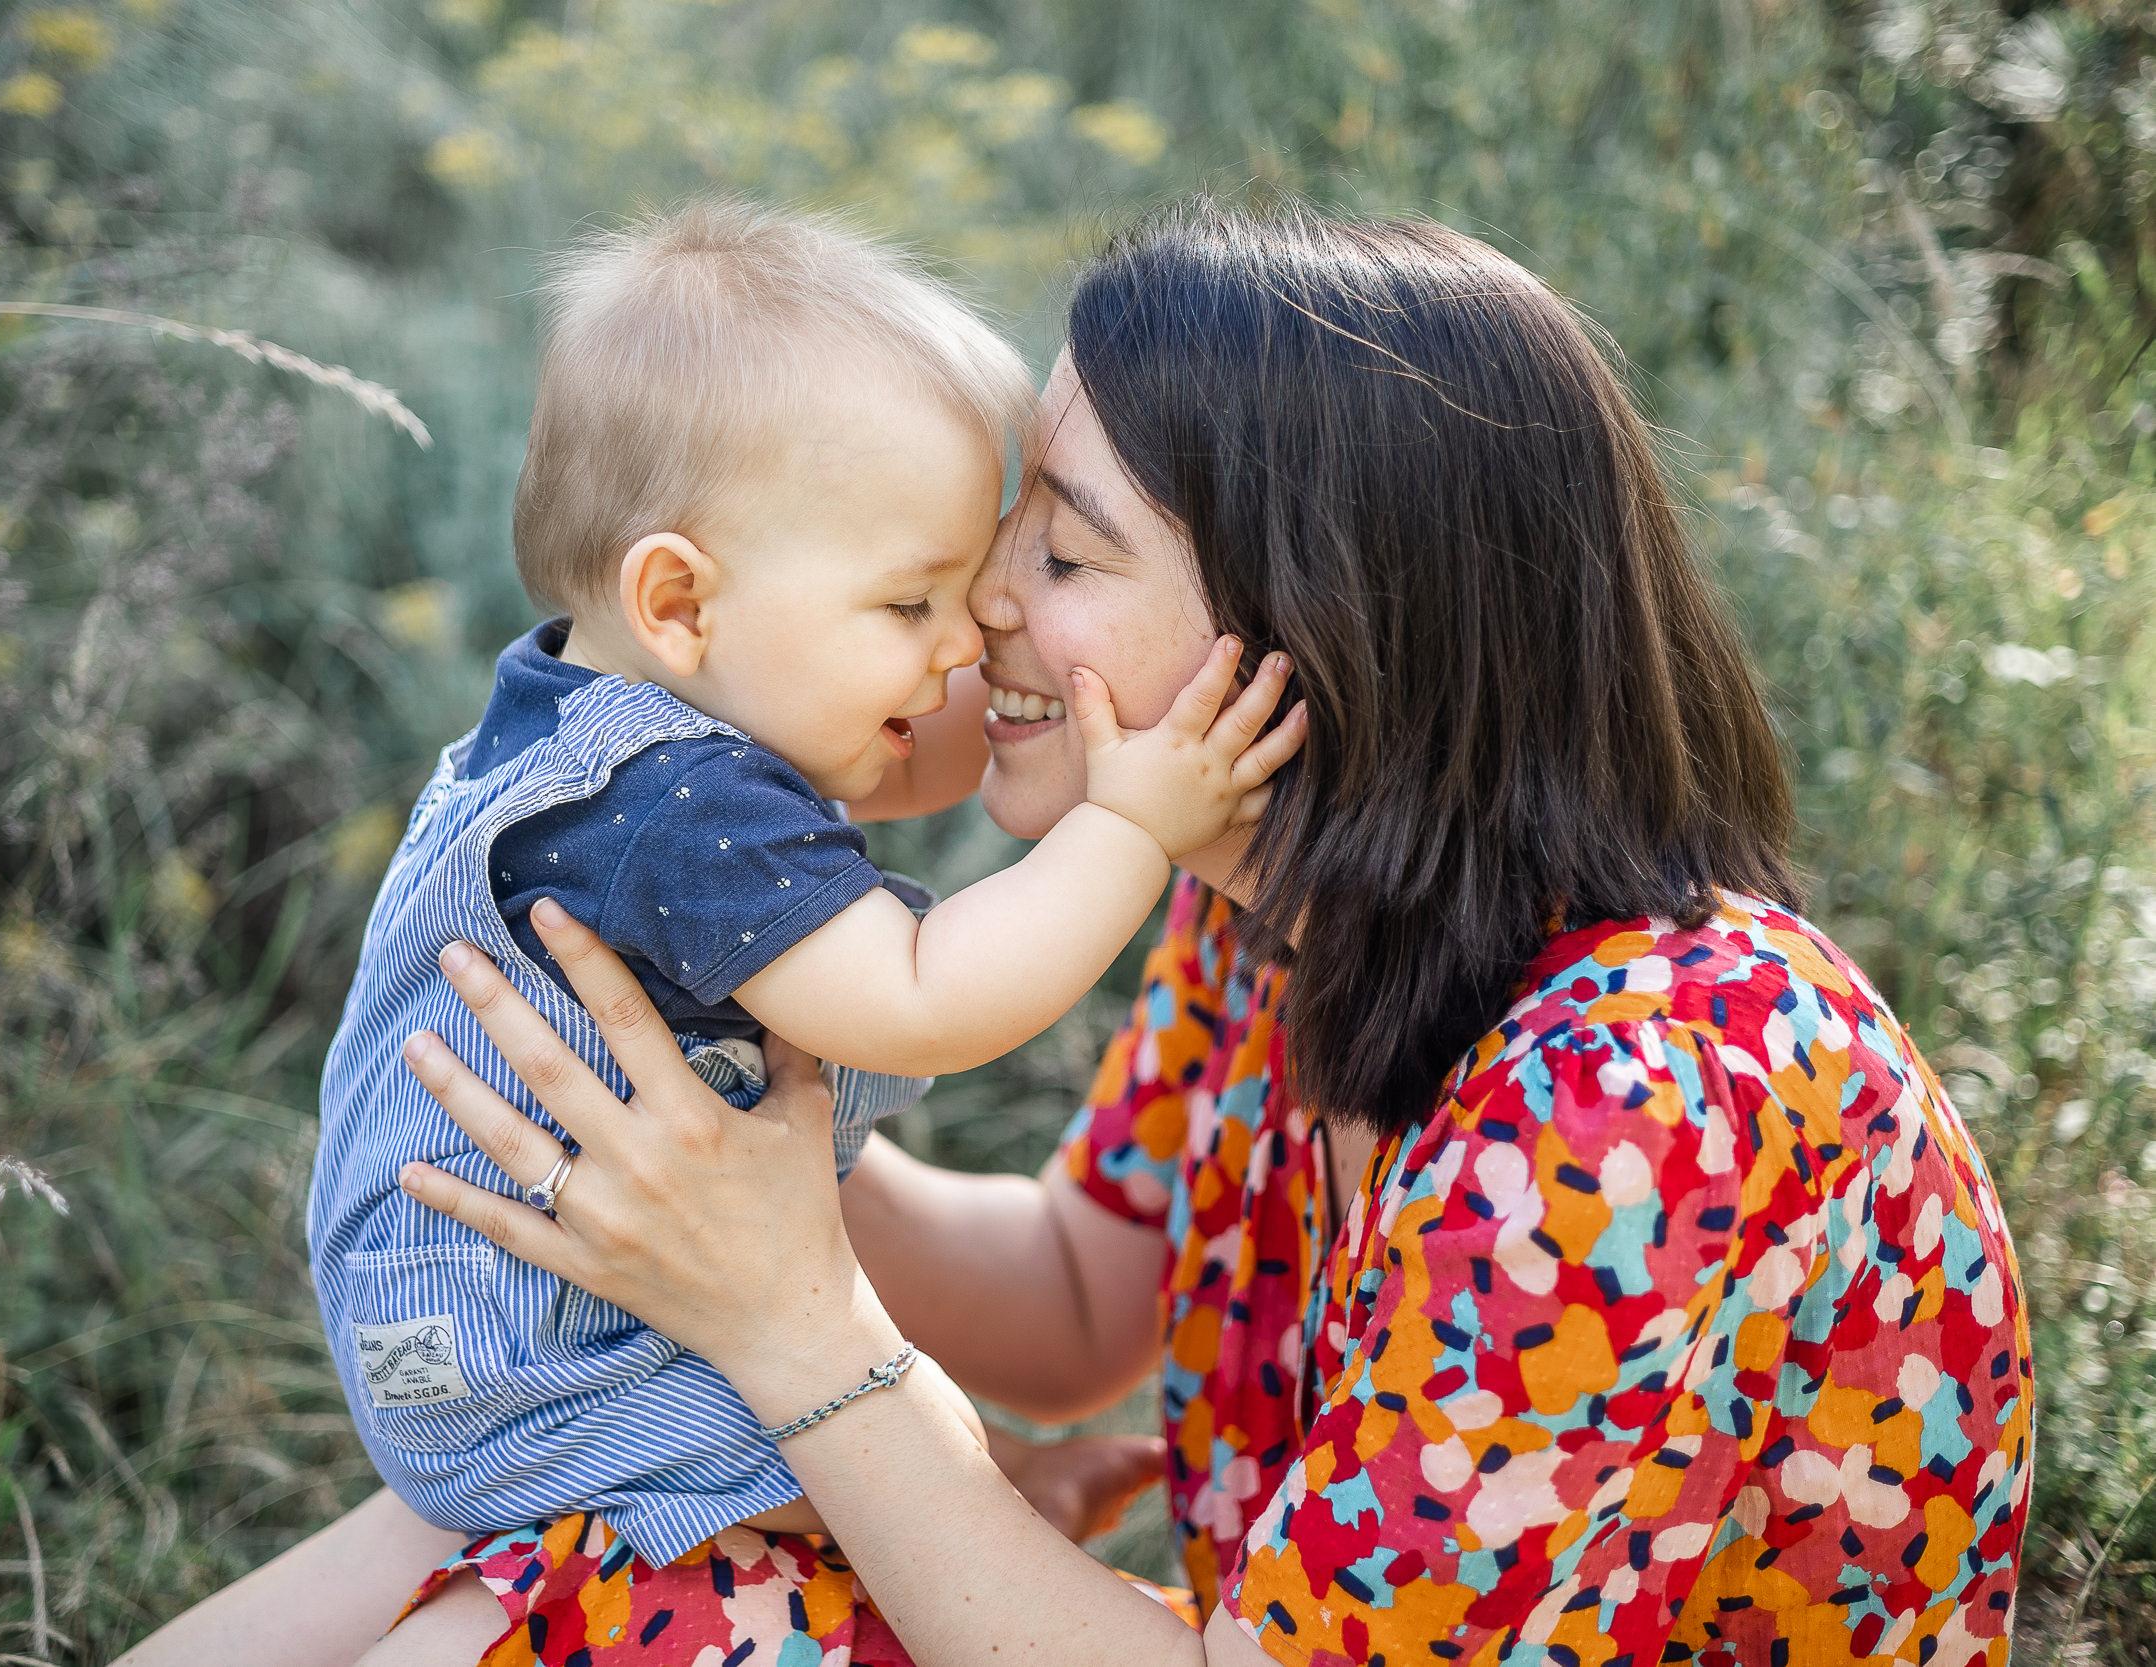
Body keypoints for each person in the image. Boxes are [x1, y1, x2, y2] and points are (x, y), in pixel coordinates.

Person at [126, 199, 2033, 1667]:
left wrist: (787, 1314)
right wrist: (695, 1168)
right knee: (532, 1542)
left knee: (648, 1608)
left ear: (1317, 626)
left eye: (1060, 551)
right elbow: (1075, 1300)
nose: (985, 625)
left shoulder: (1650, 1095)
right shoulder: (1268, 911)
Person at [309, 195, 1305, 1582]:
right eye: (916, 603)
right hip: (523, 1350)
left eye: (1029, 562)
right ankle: (1006, 1504)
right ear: (680, 603)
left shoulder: (612, 729)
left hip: (497, 1330)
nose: (975, 632)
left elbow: (923, 764)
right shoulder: (678, 810)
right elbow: (924, 1001)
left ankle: (1000, 1488)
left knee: (788, 1444)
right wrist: (1127, 827)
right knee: (787, 1511)